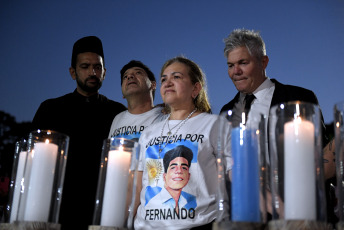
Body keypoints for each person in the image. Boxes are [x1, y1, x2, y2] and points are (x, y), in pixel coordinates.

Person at [220, 28, 336, 224]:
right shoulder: (226, 112)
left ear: (263, 62)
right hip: (244, 218)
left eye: (243, 63)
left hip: (296, 212)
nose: (235, 72)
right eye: (230, 65)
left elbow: (321, 153)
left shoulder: (299, 98)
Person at [31, 36, 126, 229]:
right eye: (85, 66)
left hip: (102, 210)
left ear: (105, 72)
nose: (92, 72)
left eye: (97, 67)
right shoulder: (50, 109)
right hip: (57, 209)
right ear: (72, 72)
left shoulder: (118, 113)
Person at [134, 56, 231, 229]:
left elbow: (234, 176)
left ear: (196, 88)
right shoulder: (148, 133)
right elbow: (135, 186)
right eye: (164, 79)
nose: (168, 82)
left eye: (176, 77)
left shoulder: (215, 124)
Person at [108, 60, 165, 140]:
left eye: (138, 73)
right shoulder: (117, 119)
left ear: (153, 85)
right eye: (125, 77)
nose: (129, 76)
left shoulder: (165, 115)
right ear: (123, 94)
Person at [145, 145, 196, 214]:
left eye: (184, 168)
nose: (179, 171)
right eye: (173, 167)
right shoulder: (152, 204)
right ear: (164, 176)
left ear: (188, 176)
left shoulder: (192, 201)